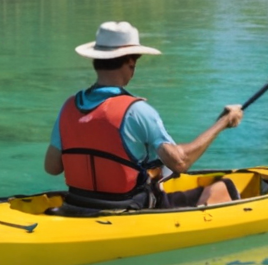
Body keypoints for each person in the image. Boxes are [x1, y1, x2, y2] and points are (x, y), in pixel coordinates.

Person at [43, 20, 244, 212]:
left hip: (78, 203)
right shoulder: (138, 111)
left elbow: (52, 167)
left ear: (97, 61)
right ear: (130, 63)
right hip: (128, 208)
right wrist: (223, 121)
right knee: (224, 186)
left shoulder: (69, 107)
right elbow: (180, 162)